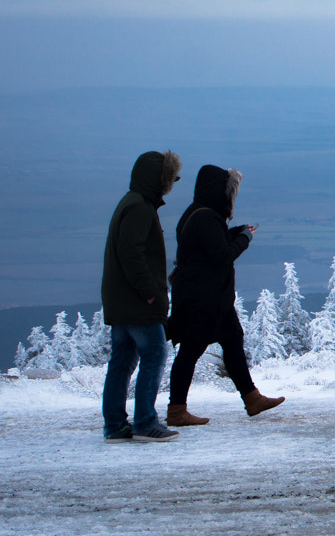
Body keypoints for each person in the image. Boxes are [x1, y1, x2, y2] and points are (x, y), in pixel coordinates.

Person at [166, 165, 285, 424]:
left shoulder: (196, 214)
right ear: (221, 192)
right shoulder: (206, 218)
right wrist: (243, 239)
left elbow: (208, 245)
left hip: (206, 296)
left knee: (230, 340)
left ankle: (251, 398)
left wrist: (234, 232)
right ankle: (176, 410)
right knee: (192, 349)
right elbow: (222, 256)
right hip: (204, 299)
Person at [102, 150, 184, 443]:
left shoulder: (130, 203)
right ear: (159, 179)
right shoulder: (141, 208)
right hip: (137, 303)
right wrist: (150, 293)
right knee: (155, 354)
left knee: (122, 361)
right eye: (169, 178)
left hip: (121, 301)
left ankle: (114, 426)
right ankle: (145, 423)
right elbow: (131, 253)